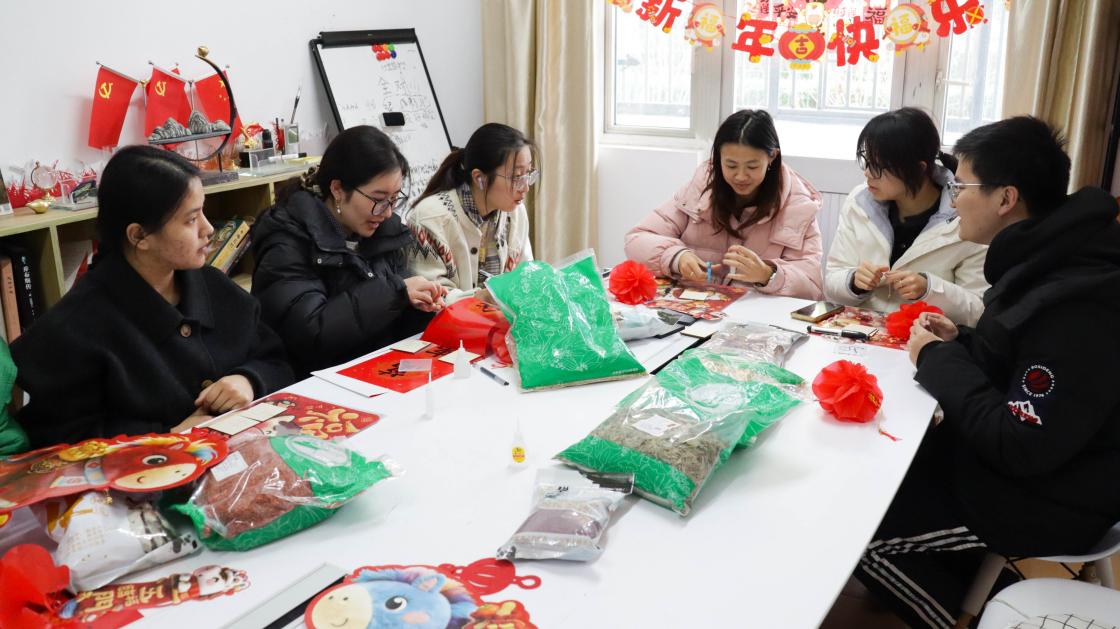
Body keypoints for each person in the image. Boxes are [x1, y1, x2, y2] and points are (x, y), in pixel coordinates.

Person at [855, 117, 1120, 629]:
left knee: (860, 533)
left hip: (1052, 496)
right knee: (878, 472)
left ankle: (980, 617)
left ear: (1006, 198)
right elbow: (1016, 362)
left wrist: (937, 359)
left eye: (961, 187)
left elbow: (1019, 442)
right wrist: (961, 342)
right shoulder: (1049, 259)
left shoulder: (1078, 302)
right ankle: (984, 590)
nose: (953, 201)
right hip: (1021, 467)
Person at [11, 146, 293, 448]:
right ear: (139, 236)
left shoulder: (213, 285)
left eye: (203, 212)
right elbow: (58, 439)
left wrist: (248, 380)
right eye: (191, 220)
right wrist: (162, 436)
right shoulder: (77, 325)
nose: (209, 229)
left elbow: (275, 360)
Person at [252, 126, 446, 375]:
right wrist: (395, 293)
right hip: (315, 382)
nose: (387, 212)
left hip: (373, 372)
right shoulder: (287, 241)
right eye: (378, 199)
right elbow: (310, 335)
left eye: (394, 199)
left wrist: (420, 307)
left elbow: (393, 322)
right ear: (337, 189)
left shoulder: (383, 232)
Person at [625, 109, 824, 299]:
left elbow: (812, 287)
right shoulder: (700, 190)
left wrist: (767, 274)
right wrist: (676, 257)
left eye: (752, 166)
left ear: (772, 157)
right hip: (696, 309)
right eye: (731, 165)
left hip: (755, 316)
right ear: (718, 157)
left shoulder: (798, 207)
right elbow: (637, 239)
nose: (741, 176)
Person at [824, 108, 988, 325]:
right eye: (866, 161)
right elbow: (832, 281)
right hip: (860, 331)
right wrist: (853, 282)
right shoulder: (860, 202)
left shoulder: (967, 217)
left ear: (918, 169)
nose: (868, 173)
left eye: (878, 166)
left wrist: (929, 289)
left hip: (926, 336)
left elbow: (977, 311)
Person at [406, 123, 535, 303]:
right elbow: (431, 297)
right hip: (451, 321)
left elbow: (525, 274)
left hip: (496, 320)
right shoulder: (430, 218)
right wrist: (483, 297)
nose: (525, 187)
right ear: (479, 178)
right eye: (516, 177)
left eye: (528, 174)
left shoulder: (515, 212)